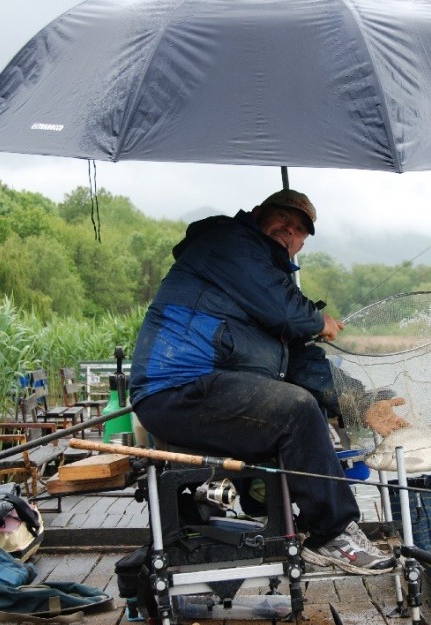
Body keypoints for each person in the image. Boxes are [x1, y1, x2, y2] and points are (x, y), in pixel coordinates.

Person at [130, 189, 402, 574]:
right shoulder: (226, 241)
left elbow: (303, 361)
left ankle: (278, 515)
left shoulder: (272, 287)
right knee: (295, 409)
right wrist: (318, 320)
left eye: (297, 230)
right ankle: (331, 535)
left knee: (299, 404)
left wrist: (359, 402)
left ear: (302, 244)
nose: (287, 231)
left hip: (214, 392)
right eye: (282, 220)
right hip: (177, 390)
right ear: (258, 214)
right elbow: (290, 315)